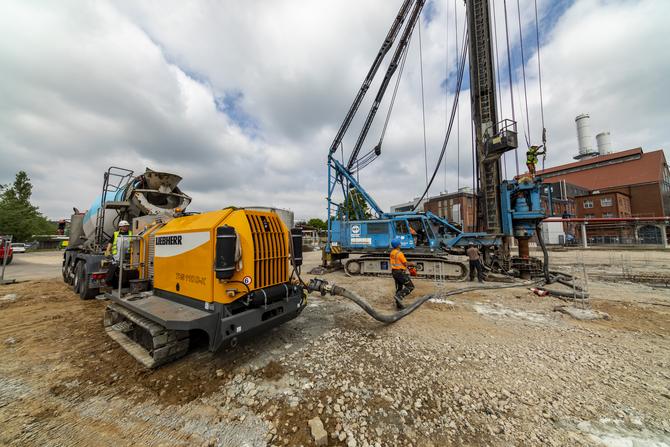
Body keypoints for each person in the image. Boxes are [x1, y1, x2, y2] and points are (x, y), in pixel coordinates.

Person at [390, 237, 415, 309]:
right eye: (400, 243)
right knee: (410, 286)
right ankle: (398, 296)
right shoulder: (399, 253)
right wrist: (413, 264)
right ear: (398, 245)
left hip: (394, 272)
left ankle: (398, 305)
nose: (401, 244)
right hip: (400, 273)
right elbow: (406, 263)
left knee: (399, 288)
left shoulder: (392, 252)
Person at [105, 220, 132, 286]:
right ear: (120, 227)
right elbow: (111, 243)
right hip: (116, 257)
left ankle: (122, 285)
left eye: (127, 226)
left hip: (126, 257)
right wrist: (108, 250)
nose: (126, 227)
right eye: (124, 226)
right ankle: (110, 284)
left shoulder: (131, 233)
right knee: (113, 272)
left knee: (124, 273)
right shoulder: (116, 234)